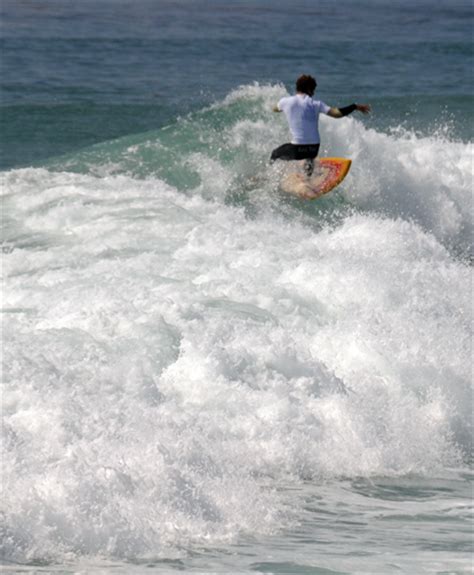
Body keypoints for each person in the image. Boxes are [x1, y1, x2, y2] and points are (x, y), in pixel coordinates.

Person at [271, 74, 371, 176]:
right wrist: (354, 106)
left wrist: (279, 108)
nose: (313, 93)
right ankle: (308, 176)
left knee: (275, 154)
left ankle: (269, 176)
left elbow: (274, 108)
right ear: (309, 89)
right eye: (313, 90)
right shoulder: (316, 104)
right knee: (309, 157)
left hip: (297, 150)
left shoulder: (285, 102)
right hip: (314, 149)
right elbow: (337, 114)